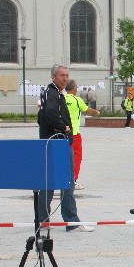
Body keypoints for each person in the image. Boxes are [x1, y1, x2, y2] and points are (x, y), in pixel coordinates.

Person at [37, 64, 94, 232]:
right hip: (58, 142)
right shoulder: (52, 94)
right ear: (53, 77)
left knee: (49, 182)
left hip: (52, 142)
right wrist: (64, 127)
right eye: (62, 75)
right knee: (67, 180)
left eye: (67, 75)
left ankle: (43, 220)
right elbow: (49, 113)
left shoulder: (51, 93)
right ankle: (71, 220)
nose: (65, 78)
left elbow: (43, 116)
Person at [64, 79, 100, 190]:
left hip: (62, 133)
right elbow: (86, 110)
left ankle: (63, 179)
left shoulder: (61, 98)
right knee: (76, 157)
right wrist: (96, 112)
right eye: (76, 87)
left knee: (63, 157)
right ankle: (73, 180)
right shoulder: (77, 100)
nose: (77, 89)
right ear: (73, 88)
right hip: (74, 133)